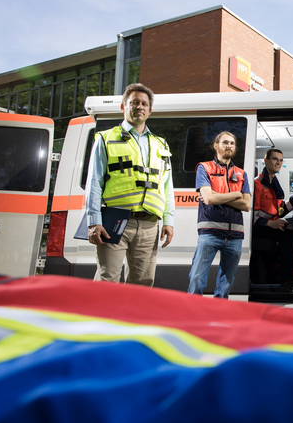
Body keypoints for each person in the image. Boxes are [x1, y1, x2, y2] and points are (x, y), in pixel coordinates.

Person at [86, 83, 174, 287]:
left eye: (144, 103)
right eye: (134, 102)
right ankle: (100, 320)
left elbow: (167, 186)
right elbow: (94, 182)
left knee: (143, 282)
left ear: (150, 110)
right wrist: (93, 221)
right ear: (123, 106)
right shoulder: (106, 138)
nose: (139, 107)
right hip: (114, 220)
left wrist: (168, 221)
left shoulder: (161, 144)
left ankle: (131, 320)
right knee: (107, 279)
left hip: (149, 224)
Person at [187, 131, 251, 298]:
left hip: (235, 235)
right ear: (216, 145)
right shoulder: (204, 168)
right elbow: (208, 199)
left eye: (232, 143)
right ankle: (192, 310)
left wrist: (217, 196)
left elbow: (247, 205)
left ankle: (218, 311)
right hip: (209, 232)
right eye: (225, 142)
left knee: (227, 280)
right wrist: (236, 194)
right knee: (197, 277)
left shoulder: (241, 173)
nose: (229, 146)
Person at [253, 148, 293, 292]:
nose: (278, 162)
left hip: (268, 226)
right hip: (257, 228)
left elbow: (280, 211)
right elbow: (251, 216)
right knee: (287, 235)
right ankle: (285, 280)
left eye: (281, 160)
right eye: (275, 159)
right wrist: (270, 223)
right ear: (266, 161)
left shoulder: (274, 185)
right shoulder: (257, 184)